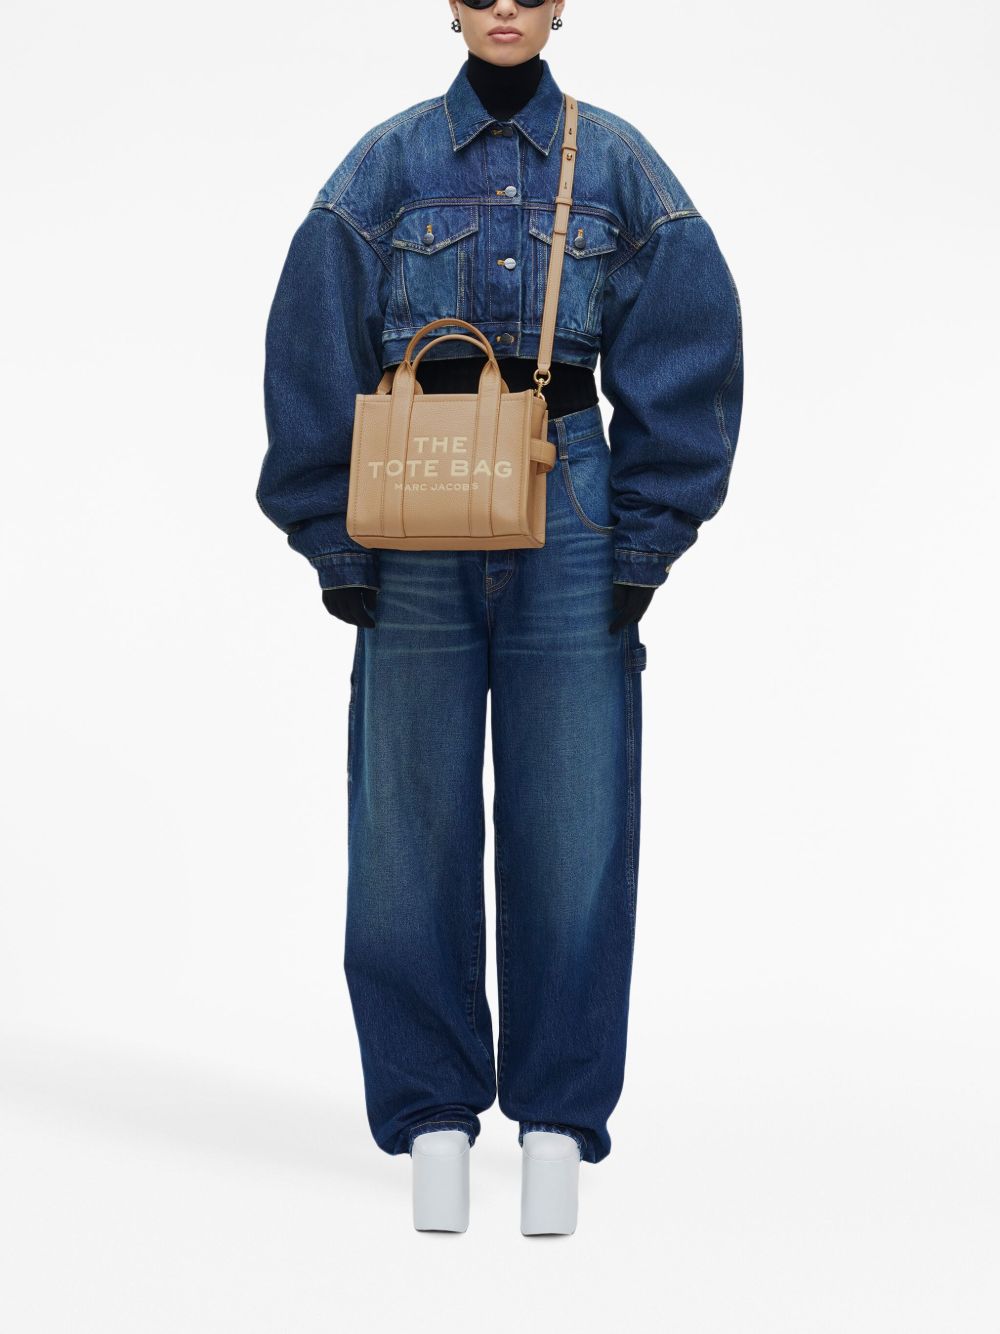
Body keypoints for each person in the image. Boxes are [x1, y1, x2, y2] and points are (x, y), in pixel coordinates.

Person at [257, 0, 744, 1236]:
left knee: (574, 817)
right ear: (452, 4)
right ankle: (430, 1111)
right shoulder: (386, 164)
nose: (506, 9)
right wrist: (330, 532)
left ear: (562, 2)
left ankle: (555, 1122)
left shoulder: (618, 162)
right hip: (409, 504)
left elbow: (690, 341)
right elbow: (313, 331)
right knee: (405, 818)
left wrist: (643, 537)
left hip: (567, 502)